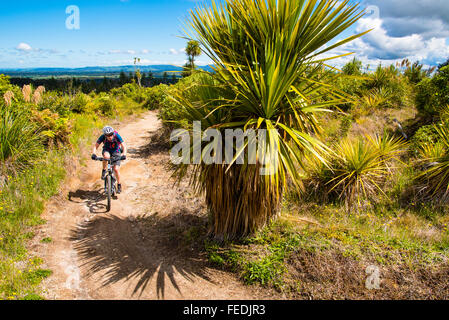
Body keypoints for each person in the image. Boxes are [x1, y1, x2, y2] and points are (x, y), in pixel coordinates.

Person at [91, 126, 127, 194]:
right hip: (107, 150)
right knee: (106, 157)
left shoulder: (116, 136)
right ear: (105, 135)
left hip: (116, 151)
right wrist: (94, 154)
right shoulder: (102, 137)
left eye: (111, 134)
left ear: (113, 133)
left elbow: (124, 146)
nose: (110, 136)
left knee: (116, 169)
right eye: (108, 135)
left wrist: (124, 154)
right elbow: (96, 146)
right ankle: (104, 170)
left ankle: (119, 185)